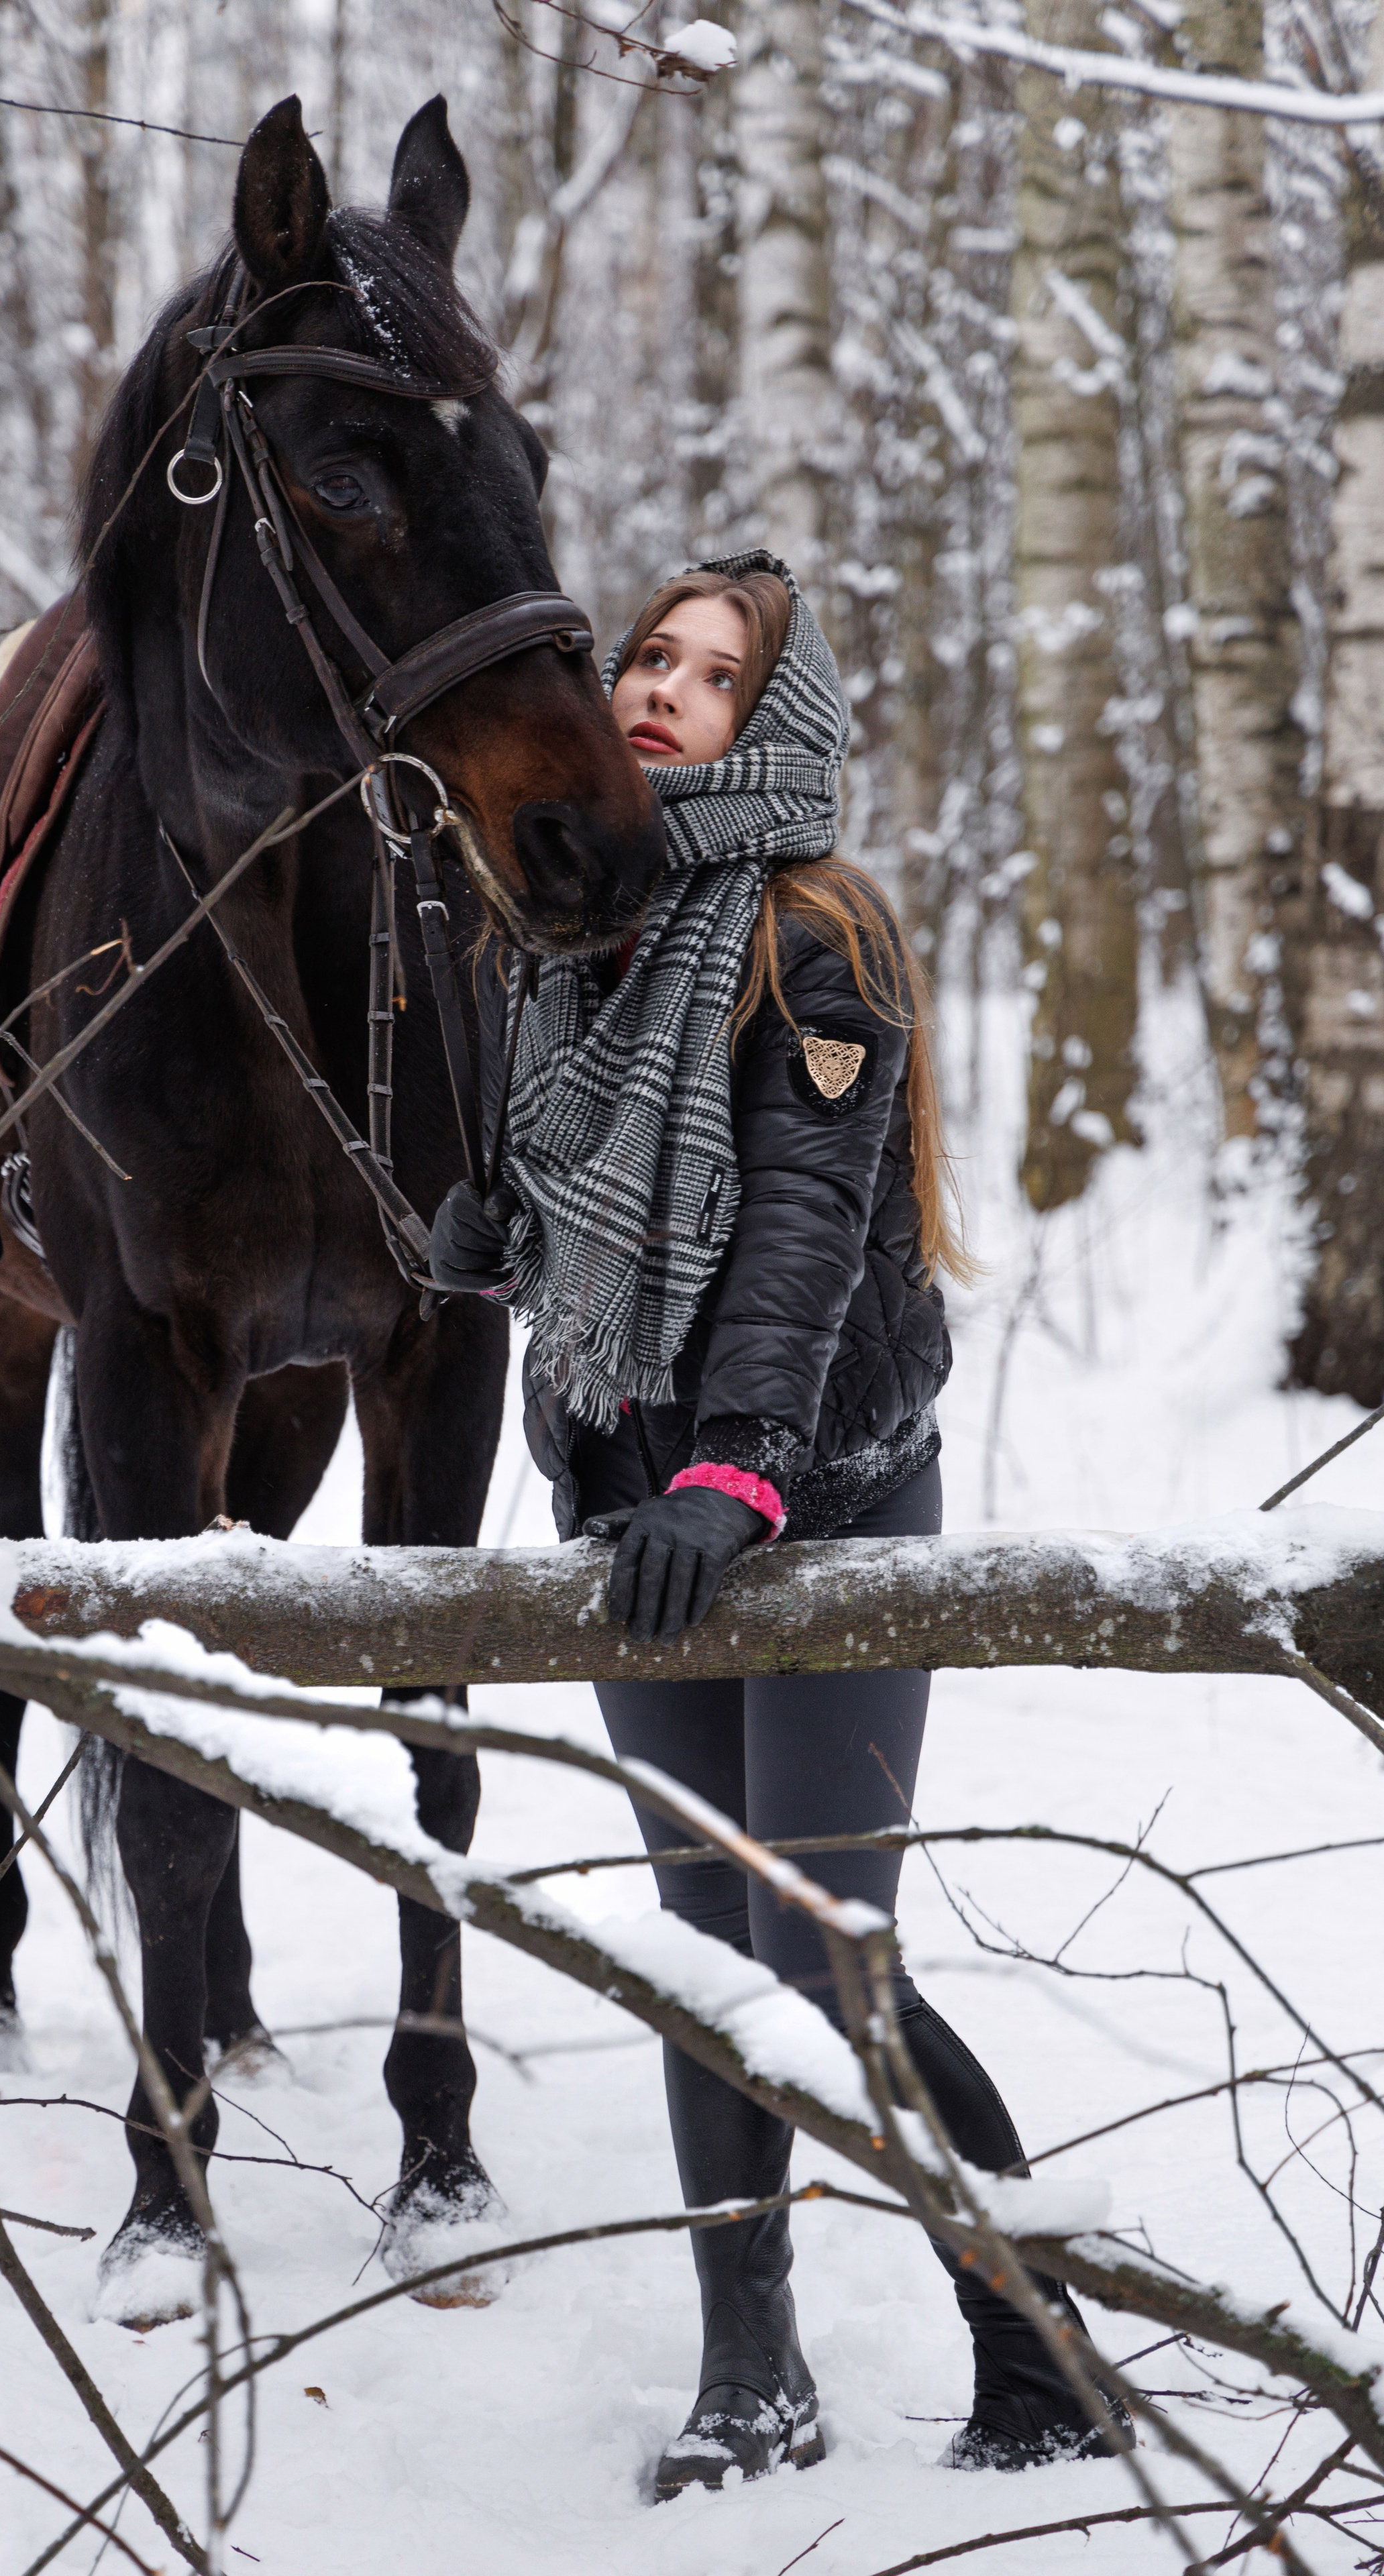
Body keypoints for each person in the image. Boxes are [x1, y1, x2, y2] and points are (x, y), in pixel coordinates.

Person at [427, 551, 1132, 2501]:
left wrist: (741, 1470)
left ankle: (1041, 2340)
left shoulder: (817, 932)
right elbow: (591, 1221)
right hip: (639, 1511)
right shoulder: (553, 932)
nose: (658, 690)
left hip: (815, 1501)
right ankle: (756, 2376)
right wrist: (487, 1242)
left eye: (713, 675)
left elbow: (805, 1230)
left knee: (825, 1954)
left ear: (779, 723)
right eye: (648, 655)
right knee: (704, 1951)